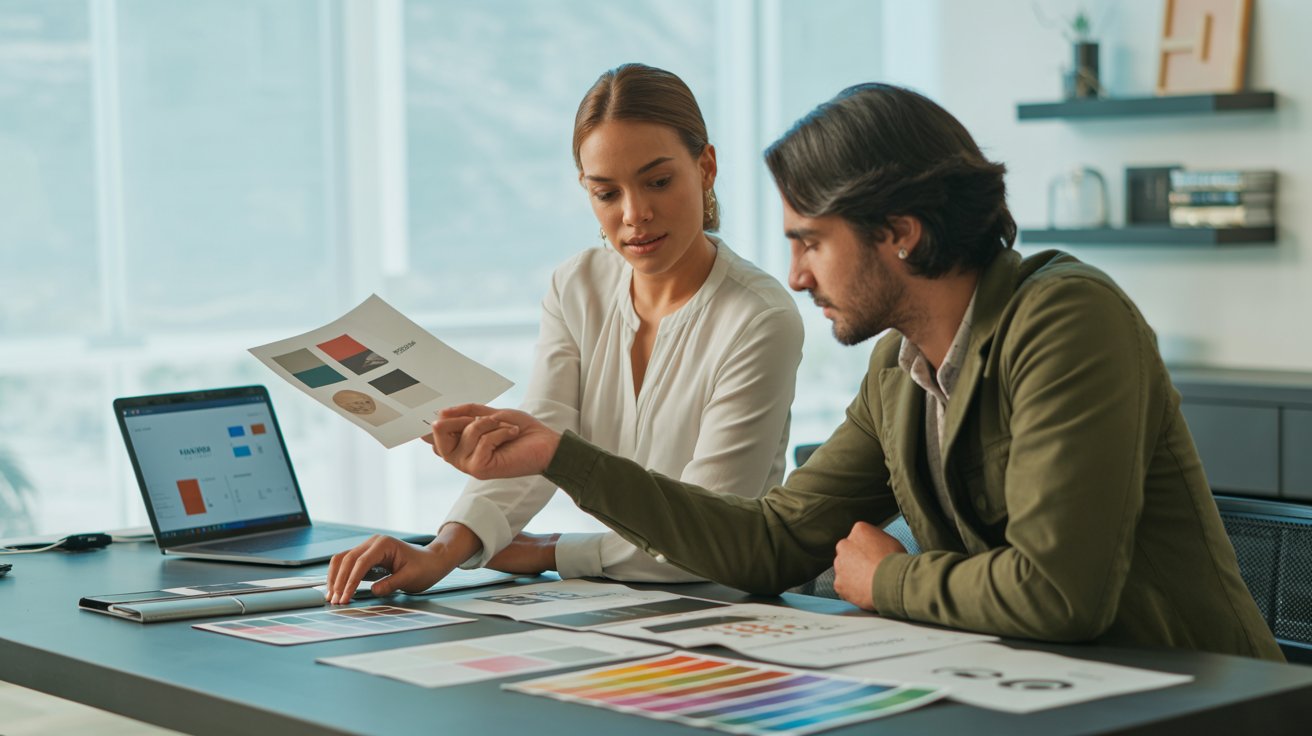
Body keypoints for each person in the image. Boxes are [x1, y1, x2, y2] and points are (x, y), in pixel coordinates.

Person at [420, 83, 1283, 661]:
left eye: (809, 241)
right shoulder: (898, 369)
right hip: (1052, 697)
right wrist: (559, 456)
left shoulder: (1065, 319)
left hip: (1201, 702)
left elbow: (1060, 593)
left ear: (897, 232)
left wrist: (887, 577)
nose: (795, 275)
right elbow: (765, 545)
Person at [325, 64, 803, 603]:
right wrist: (443, 552)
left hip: (724, 605)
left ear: (706, 166)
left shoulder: (760, 318)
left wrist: (553, 551)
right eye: (606, 193)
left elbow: (709, 532)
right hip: (609, 601)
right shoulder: (578, 284)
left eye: (659, 181)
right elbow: (539, 440)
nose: (635, 214)